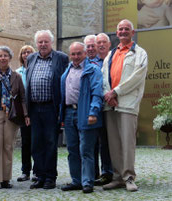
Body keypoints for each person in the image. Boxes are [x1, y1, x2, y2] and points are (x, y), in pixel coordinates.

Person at [102, 19, 148, 192]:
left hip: (127, 104)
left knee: (127, 142)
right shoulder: (111, 54)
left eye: (126, 29)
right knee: (114, 143)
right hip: (111, 104)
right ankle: (117, 177)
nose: (122, 32)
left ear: (132, 32)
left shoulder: (140, 53)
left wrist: (116, 92)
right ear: (117, 32)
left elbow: (136, 78)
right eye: (120, 29)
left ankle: (129, 177)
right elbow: (104, 76)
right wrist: (109, 95)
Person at [0, 46, 30, 190]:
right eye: (0, 56)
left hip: (12, 116)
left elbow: (22, 98)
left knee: (8, 147)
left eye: (5, 56)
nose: (2, 58)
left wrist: (26, 115)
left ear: (10, 58)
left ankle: (5, 179)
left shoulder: (17, 77)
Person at [26, 30, 69, 189]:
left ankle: (50, 177)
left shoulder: (61, 58)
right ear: (36, 44)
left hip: (51, 107)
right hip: (34, 108)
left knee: (50, 142)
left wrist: (61, 109)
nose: (43, 45)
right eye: (40, 42)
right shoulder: (31, 58)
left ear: (51, 43)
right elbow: (28, 83)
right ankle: (39, 175)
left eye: (46, 42)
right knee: (36, 143)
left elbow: (65, 83)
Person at [60, 42, 103, 194]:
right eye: (73, 54)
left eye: (79, 53)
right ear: (70, 55)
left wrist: (93, 112)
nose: (76, 57)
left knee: (86, 149)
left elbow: (97, 92)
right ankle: (76, 181)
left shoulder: (93, 70)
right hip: (69, 113)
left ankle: (87, 182)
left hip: (86, 112)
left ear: (85, 53)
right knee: (72, 149)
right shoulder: (67, 70)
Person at [93, 33, 114, 186]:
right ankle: (106, 172)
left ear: (109, 44)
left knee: (114, 141)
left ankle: (118, 171)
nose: (101, 45)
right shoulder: (92, 63)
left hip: (113, 105)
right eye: (98, 42)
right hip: (98, 107)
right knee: (102, 142)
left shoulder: (115, 59)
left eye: (103, 42)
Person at [16, 45, 37, 182]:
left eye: (28, 52)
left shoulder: (36, 69)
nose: (26, 54)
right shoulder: (17, 72)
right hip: (23, 111)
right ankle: (25, 171)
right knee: (25, 142)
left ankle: (37, 170)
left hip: (35, 109)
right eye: (24, 52)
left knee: (36, 141)